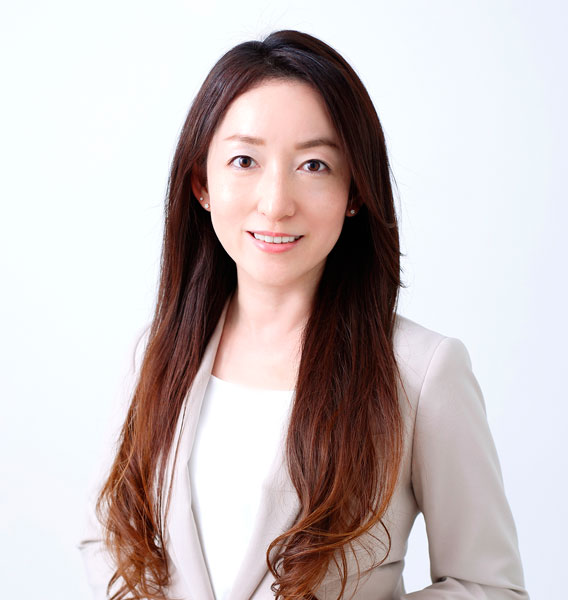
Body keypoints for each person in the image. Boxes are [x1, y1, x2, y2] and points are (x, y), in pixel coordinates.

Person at [79, 30, 529, 600]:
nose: (275, 203)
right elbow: (104, 538)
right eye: (244, 160)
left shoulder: (421, 372)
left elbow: (489, 586)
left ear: (354, 192)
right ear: (202, 183)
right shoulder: (157, 351)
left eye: (314, 165)